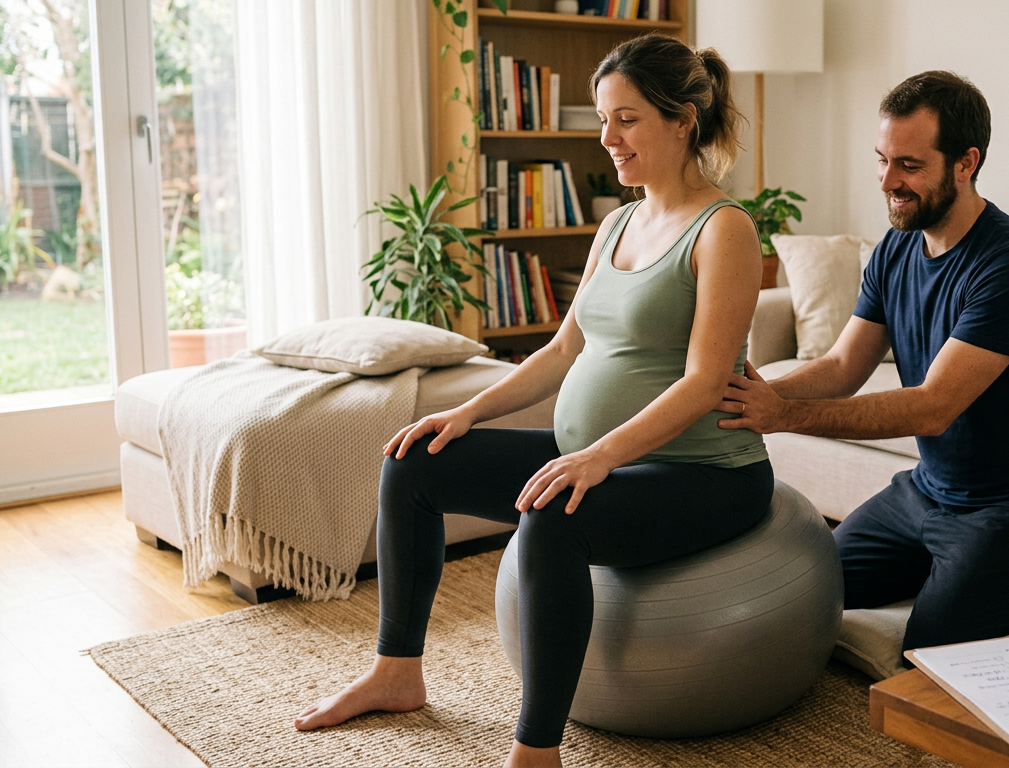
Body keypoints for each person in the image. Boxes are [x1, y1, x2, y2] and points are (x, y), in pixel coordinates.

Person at [294, 35, 771, 768]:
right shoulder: (618, 224)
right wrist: (465, 414)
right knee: (415, 463)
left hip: (704, 472)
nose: (607, 138)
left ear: (682, 122)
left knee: (553, 515)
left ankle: (536, 752)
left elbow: (705, 382)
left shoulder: (724, 229)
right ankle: (396, 673)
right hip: (593, 456)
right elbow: (561, 350)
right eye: (604, 119)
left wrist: (598, 456)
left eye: (628, 120)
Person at [717, 71, 1009, 652]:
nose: (889, 181)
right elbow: (843, 366)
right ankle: (963, 573)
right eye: (882, 160)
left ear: (966, 163)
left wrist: (784, 416)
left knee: (930, 654)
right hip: (927, 491)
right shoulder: (896, 246)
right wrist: (756, 392)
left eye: (909, 165)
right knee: (806, 592)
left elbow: (932, 408)